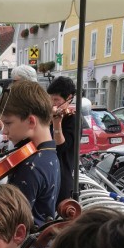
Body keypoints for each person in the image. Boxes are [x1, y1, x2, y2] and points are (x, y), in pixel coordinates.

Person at [0, 80, 60, 227]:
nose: (4, 131)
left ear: (31, 121)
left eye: (8, 123)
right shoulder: (49, 153)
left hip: (23, 247)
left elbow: (9, 223)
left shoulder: (31, 165)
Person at [47, 76, 76, 204]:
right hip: (48, 174)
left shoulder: (73, 119)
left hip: (62, 178)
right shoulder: (49, 117)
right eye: (51, 99)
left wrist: (57, 123)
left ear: (69, 98)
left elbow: (62, 146)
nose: (53, 103)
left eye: (57, 100)